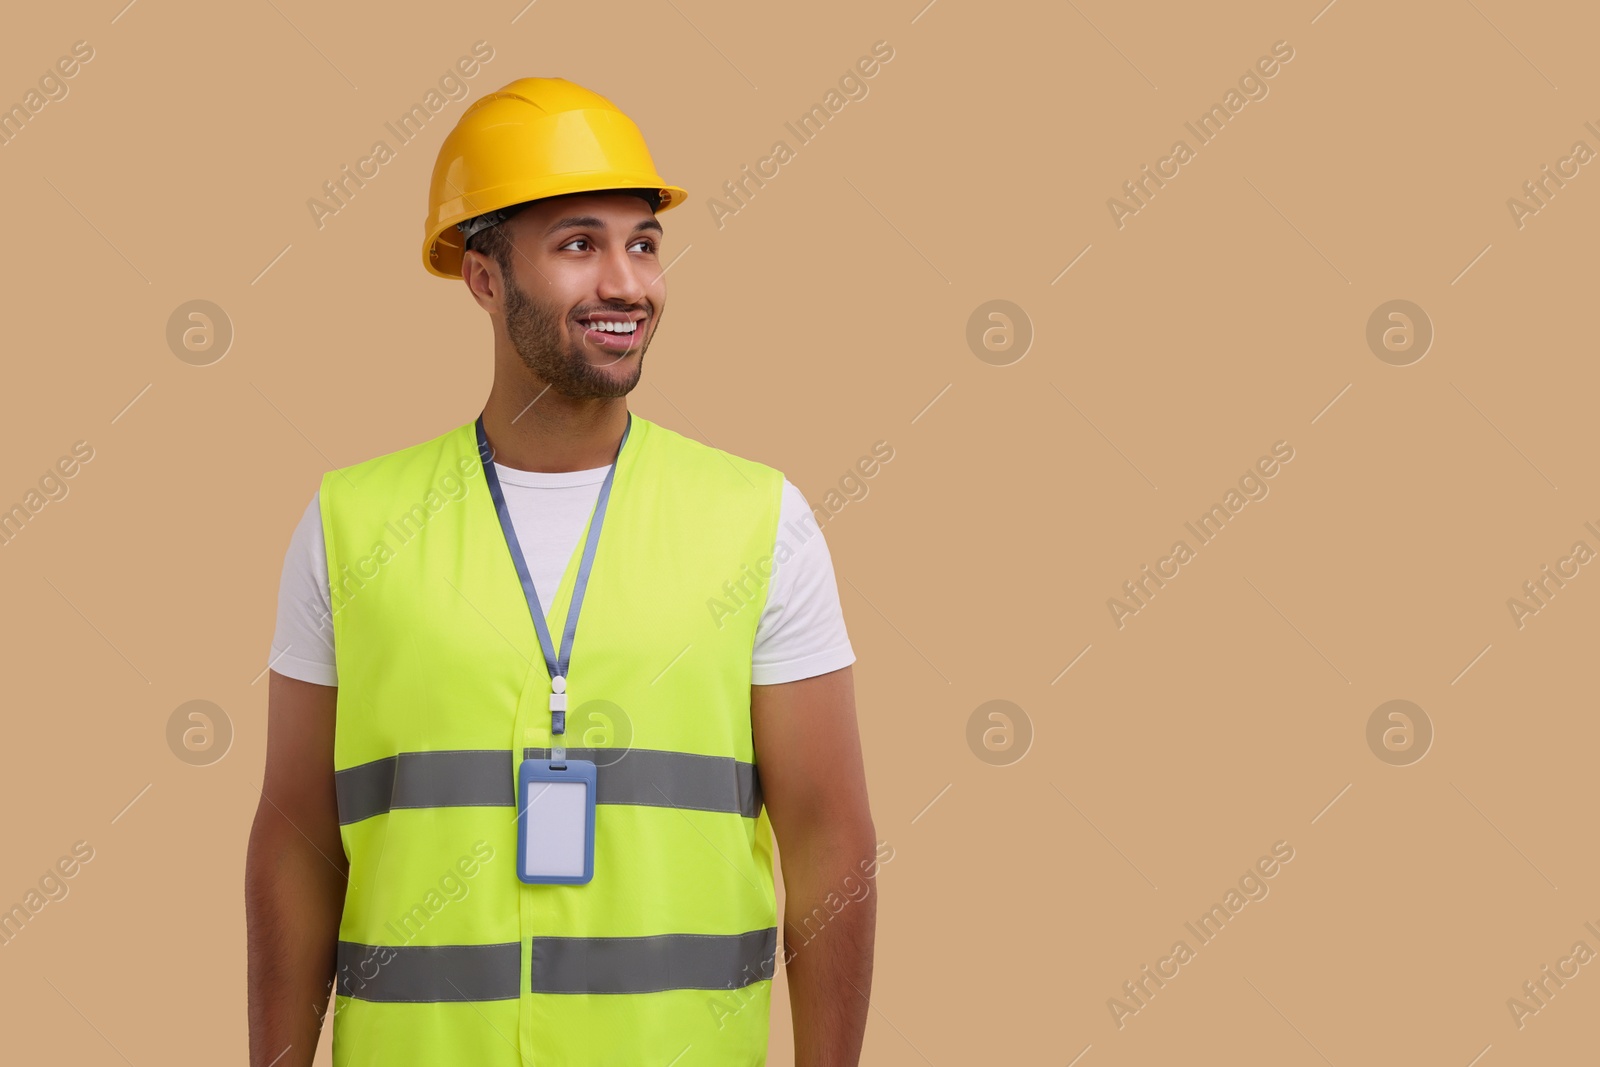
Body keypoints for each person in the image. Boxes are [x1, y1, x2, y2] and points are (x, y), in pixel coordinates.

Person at [245, 77, 878, 1066]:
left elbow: (828, 839)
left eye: (644, 242)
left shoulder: (761, 519)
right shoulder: (350, 524)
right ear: (483, 275)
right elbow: (293, 841)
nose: (627, 282)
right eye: (579, 243)